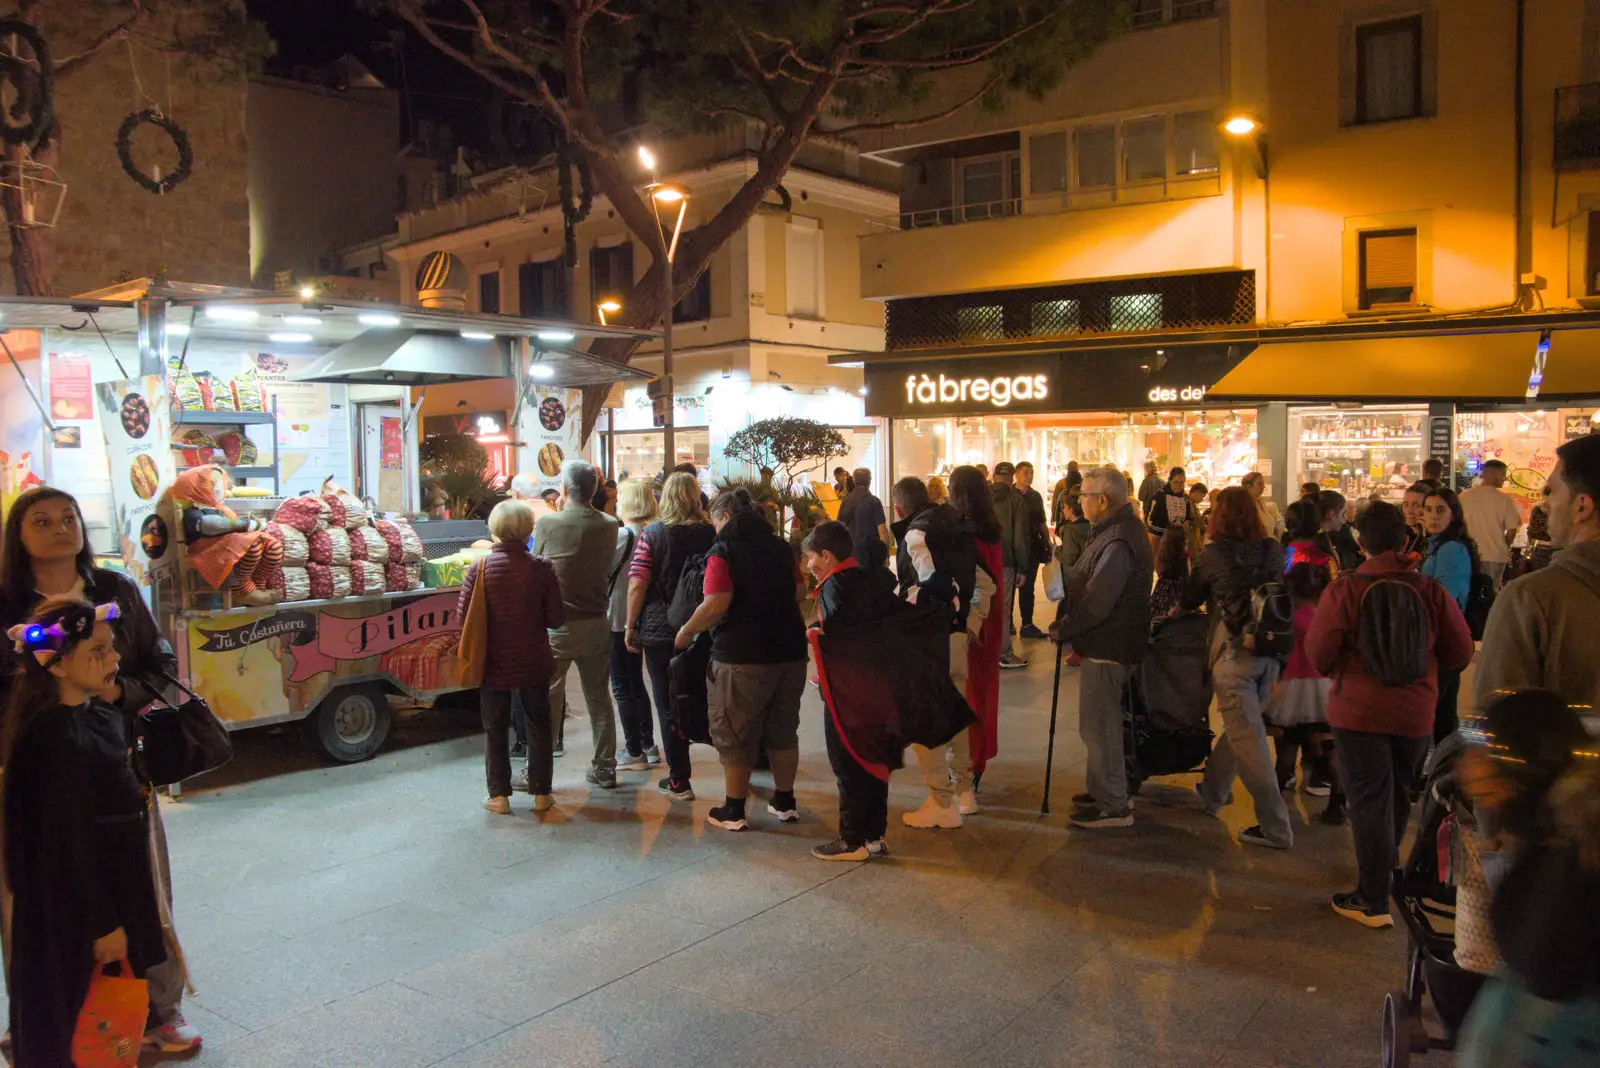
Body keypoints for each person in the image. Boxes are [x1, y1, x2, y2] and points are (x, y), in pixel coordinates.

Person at [0, 486, 200, 1055]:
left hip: (117, 761)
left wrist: (111, 696)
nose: (61, 527)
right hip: (31, 765)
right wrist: (42, 711)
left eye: (69, 517)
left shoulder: (114, 590)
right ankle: (45, 1017)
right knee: (37, 895)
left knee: (142, 885)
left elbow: (158, 664)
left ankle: (157, 1010)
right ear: (18, 536)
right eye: (41, 520)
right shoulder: (6, 604)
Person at [3, 599, 167, 1067]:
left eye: (111, 649)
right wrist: (103, 921)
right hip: (75, 910)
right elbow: (63, 842)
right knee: (71, 1018)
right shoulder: (51, 739)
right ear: (56, 664)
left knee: (104, 1018)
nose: (114, 660)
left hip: (108, 891)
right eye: (98, 650)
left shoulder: (98, 715)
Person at [1305, 501, 1474, 927]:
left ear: (1360, 542)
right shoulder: (1429, 590)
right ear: (1404, 540)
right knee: (1398, 795)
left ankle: (1373, 897)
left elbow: (1320, 654)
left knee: (1367, 801)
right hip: (1416, 712)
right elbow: (1460, 650)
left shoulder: (1346, 590)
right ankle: (1385, 875)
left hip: (1358, 712)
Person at [673, 489, 809, 832]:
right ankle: (784, 800)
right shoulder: (780, 546)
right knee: (782, 730)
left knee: (734, 731)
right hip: (790, 652)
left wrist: (687, 631)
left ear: (726, 515)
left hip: (742, 654)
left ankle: (733, 810)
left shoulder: (724, 549)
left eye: (716, 521)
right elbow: (799, 592)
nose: (715, 528)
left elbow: (716, 602)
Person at [1182, 486, 1293, 849]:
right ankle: (1214, 791)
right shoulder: (1272, 549)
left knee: (1251, 740)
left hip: (1233, 655)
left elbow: (1190, 598)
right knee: (1244, 728)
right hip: (1270, 652)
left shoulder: (1212, 554)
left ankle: (1276, 828)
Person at [1051, 466, 1154, 829]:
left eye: (1085, 496)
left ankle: (1113, 802)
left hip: (1111, 643)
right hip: (1108, 641)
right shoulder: (1115, 531)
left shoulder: (1119, 539)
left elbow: (1099, 600)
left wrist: (1064, 627)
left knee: (1101, 727)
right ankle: (1102, 789)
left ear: (1103, 500)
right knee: (1095, 723)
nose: (1081, 501)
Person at [890, 476, 995, 829]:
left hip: (927, 641)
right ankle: (965, 792)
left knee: (925, 719)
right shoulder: (956, 527)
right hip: (955, 639)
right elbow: (986, 583)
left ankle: (940, 801)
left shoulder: (915, 536)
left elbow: (928, 590)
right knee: (955, 714)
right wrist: (970, 623)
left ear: (899, 507)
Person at [1474, 434, 1600, 706]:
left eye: (1552, 491)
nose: (1545, 504)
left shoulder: (1530, 599)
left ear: (1582, 506)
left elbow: (1499, 723)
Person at [461, 500, 564, 814]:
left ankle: (499, 796)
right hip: (534, 660)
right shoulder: (542, 567)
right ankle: (542, 794)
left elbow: (463, 618)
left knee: (495, 727)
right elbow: (556, 619)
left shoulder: (477, 569)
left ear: (494, 530)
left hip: (492, 662)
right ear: (528, 530)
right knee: (539, 725)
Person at [532, 460, 623, 790]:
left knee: (550, 700)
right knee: (599, 698)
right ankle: (604, 768)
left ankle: (539, 773)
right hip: (598, 621)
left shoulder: (548, 524)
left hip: (559, 626)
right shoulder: (610, 525)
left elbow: (536, 563)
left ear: (565, 489)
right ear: (596, 490)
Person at [625, 472, 715, 800]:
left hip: (660, 629)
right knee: (707, 695)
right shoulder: (710, 532)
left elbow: (637, 582)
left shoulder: (652, 533)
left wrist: (630, 625)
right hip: (704, 627)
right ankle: (739, 771)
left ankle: (679, 779)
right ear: (695, 497)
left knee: (668, 700)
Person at [1266, 540, 1344, 824]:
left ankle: (1271, 808)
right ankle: (1338, 802)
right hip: (1321, 687)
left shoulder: (1287, 615)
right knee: (1328, 747)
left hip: (1291, 688)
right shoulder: (1323, 615)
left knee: (1286, 749)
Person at [948, 466, 1005, 788]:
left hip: (970, 618)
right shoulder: (991, 529)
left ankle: (967, 762)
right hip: (992, 616)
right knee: (984, 688)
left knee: (963, 688)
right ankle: (979, 757)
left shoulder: (959, 532)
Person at [1420, 487, 1480, 742]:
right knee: (1443, 712)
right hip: (1447, 638)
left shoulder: (1449, 549)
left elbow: (1444, 598)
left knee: (1435, 712)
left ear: (1453, 514)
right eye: (1429, 510)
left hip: (1443, 638)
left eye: (1441, 510)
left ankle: (1440, 768)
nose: (1433, 516)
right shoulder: (1440, 546)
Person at [611, 481, 660, 773]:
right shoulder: (654, 533)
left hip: (620, 617)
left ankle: (633, 750)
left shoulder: (621, 536)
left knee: (621, 685)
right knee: (637, 681)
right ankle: (648, 743)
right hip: (646, 617)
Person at [989, 462, 1033, 668]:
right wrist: (1022, 568)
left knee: (983, 605)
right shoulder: (1016, 501)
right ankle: (1004, 653)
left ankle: (985, 651)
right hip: (1005, 561)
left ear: (994, 475)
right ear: (1012, 477)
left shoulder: (982, 498)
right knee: (1003, 608)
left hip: (982, 559)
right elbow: (1020, 538)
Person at [1460, 459, 1525, 589]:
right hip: (1494, 555)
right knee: (1490, 592)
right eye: (1503, 474)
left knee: (1468, 590)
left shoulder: (1464, 497)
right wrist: (1505, 546)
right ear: (1492, 474)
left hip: (1467, 554)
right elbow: (1512, 530)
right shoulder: (1503, 499)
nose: (1505, 478)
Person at [1014, 461, 1051, 640]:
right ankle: (1008, 625)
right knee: (1009, 587)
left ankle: (1027, 624)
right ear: (1017, 474)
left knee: (1028, 587)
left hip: (1032, 547)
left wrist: (1047, 542)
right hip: (1014, 547)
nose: (1029, 476)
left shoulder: (1035, 496)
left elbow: (1041, 521)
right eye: (1026, 473)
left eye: (1031, 472)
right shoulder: (1009, 495)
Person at [836, 466, 891, 571]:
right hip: (870, 555)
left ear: (854, 480)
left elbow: (839, 530)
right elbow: (882, 531)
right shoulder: (874, 502)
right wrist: (885, 555)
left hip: (850, 555)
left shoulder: (845, 501)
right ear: (869, 481)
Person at [1144, 466, 1196, 554]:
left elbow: (1190, 518)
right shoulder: (1158, 496)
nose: (1179, 486)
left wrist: (1188, 523)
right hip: (1160, 543)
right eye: (1176, 482)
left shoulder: (1186, 499)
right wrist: (1169, 527)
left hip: (1180, 542)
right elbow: (1149, 520)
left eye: (1181, 483)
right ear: (1170, 481)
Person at [1313, 489, 1362, 572]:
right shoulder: (1316, 544)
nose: (1344, 520)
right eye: (1342, 514)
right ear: (1331, 515)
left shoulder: (1323, 536)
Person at [1150, 525, 1188, 620]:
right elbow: (1187, 574)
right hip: (1178, 589)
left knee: (1158, 615)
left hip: (1163, 587)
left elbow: (1158, 569)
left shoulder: (1163, 554)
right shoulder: (1183, 556)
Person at [1242, 471, 1284, 539]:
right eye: (1260, 484)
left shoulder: (1262, 503)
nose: (1264, 486)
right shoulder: (1245, 506)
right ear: (1249, 487)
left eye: (1263, 483)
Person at [1524, 486, 1555, 571]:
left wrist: (1528, 548)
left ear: (1544, 494)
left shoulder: (1538, 509)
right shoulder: (1563, 509)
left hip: (1540, 547)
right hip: (1557, 548)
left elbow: (1532, 531)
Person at [1399, 480, 1431, 560]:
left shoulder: (1433, 538)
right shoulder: (1399, 534)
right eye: (1406, 504)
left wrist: (1425, 537)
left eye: (1416, 505)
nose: (1409, 511)